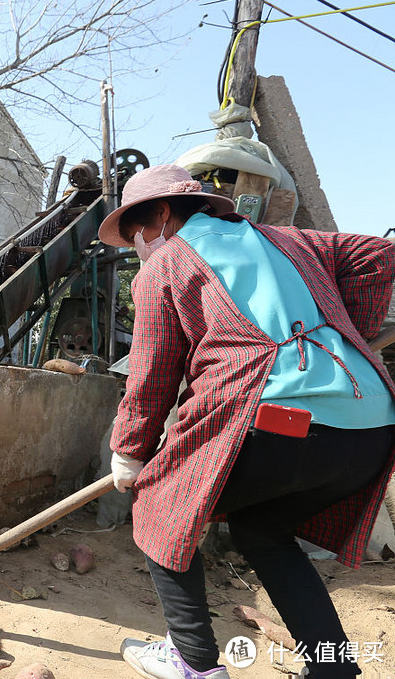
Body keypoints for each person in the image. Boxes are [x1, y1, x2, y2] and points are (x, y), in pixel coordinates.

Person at [101, 164, 395, 679]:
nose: (139, 249)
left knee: (159, 503)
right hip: (372, 426)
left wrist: (129, 454)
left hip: (279, 422)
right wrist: (349, 331)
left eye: (137, 234)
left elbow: (150, 379)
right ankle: (335, 670)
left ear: (163, 216)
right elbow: (378, 252)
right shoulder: (290, 241)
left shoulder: (166, 264)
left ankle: (192, 661)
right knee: (263, 529)